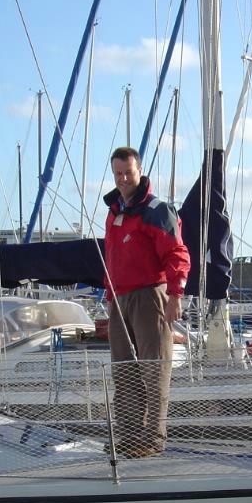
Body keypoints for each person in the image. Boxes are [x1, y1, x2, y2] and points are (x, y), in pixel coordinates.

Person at [102, 146, 190, 458]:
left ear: (139, 171)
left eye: (128, 172)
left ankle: (153, 440)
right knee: (124, 372)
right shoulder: (114, 212)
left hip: (150, 295)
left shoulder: (157, 210)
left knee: (154, 370)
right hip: (120, 298)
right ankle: (127, 437)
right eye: (118, 174)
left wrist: (175, 296)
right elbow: (112, 258)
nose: (123, 179)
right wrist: (110, 297)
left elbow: (177, 254)